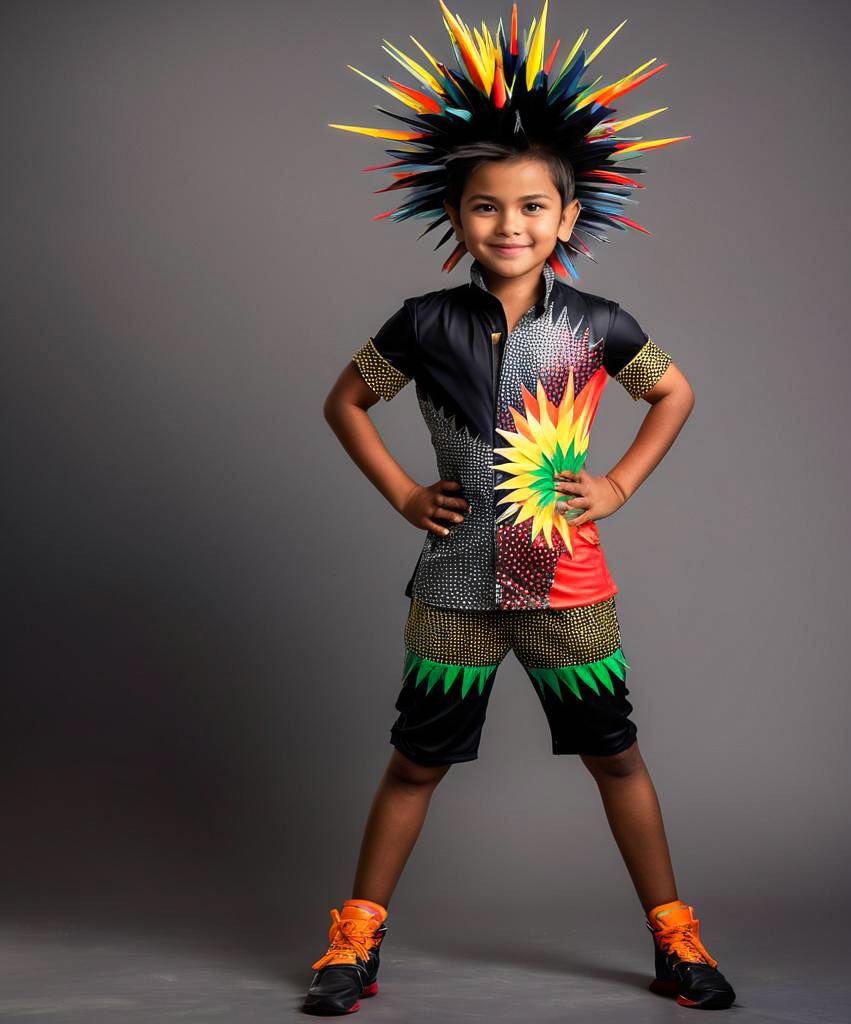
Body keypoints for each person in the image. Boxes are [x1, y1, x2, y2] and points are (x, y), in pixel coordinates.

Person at [304, 1, 737, 1014]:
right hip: (452, 580)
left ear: (568, 217)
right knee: (415, 763)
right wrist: (403, 490)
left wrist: (620, 481)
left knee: (615, 754)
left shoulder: (596, 324)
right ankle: (351, 940)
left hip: (567, 585)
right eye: (488, 206)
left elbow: (671, 390)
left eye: (532, 206)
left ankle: (677, 937)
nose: (510, 225)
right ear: (456, 217)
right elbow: (344, 402)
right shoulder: (421, 323)